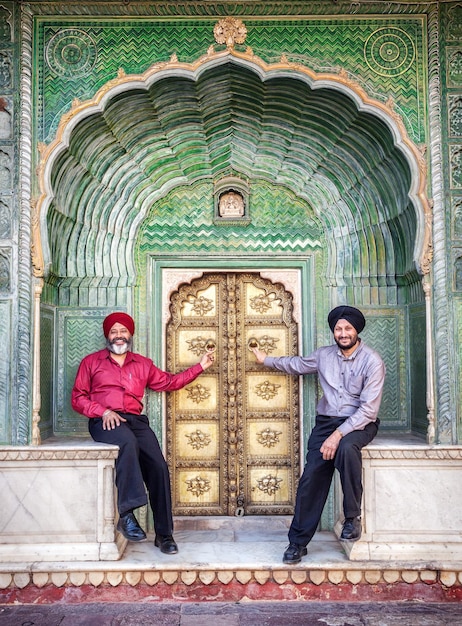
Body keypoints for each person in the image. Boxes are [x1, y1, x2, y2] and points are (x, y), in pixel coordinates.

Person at [71, 312, 215, 555]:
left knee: (158, 466)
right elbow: (78, 398)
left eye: (123, 331)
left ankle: (164, 534)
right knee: (126, 442)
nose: (118, 336)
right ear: (107, 335)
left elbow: (168, 382)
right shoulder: (91, 362)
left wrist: (200, 366)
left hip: (135, 420)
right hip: (104, 420)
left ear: (130, 334)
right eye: (114, 331)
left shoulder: (143, 364)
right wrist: (102, 411)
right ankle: (127, 514)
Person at [251, 305, 385, 565]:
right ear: (334, 332)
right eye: (338, 329)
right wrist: (265, 359)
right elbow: (297, 364)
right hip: (326, 423)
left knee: (347, 448)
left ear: (356, 330)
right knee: (312, 476)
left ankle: (352, 519)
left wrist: (337, 435)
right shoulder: (324, 356)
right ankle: (297, 543)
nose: (343, 333)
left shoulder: (373, 361)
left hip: (360, 423)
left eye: (347, 328)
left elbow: (369, 410)